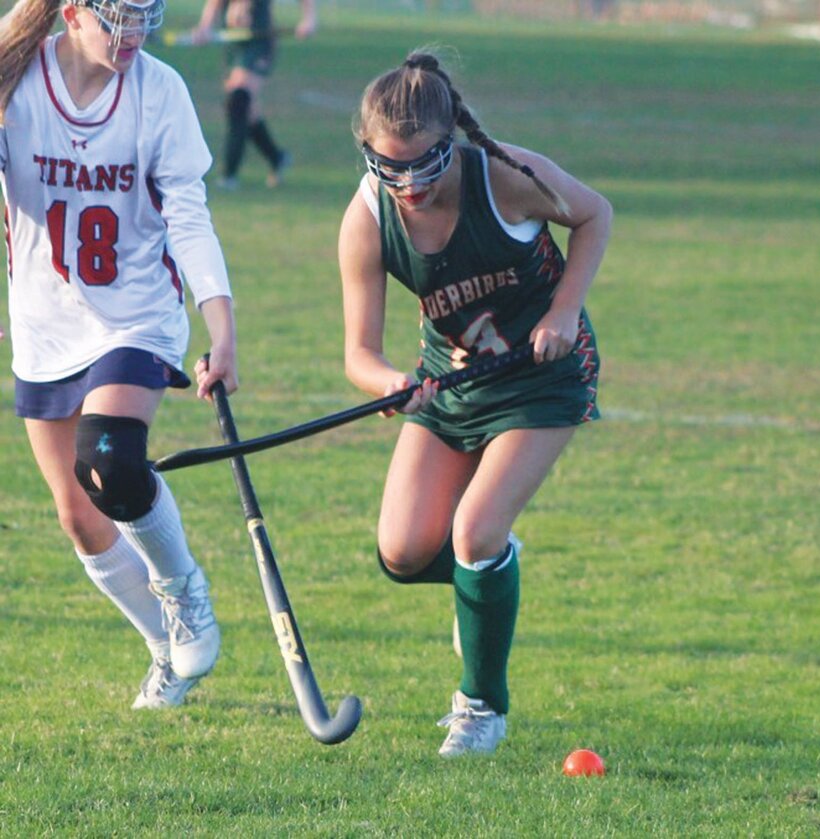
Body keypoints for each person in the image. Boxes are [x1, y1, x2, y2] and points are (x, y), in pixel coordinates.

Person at [338, 50, 612, 757]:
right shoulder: (367, 219)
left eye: (423, 165)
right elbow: (358, 354)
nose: (408, 184)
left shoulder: (502, 176)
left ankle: (481, 706)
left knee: (474, 530)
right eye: (388, 166)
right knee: (400, 552)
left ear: (451, 137)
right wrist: (391, 383)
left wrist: (564, 310)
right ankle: (489, 568)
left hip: (540, 378)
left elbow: (593, 214)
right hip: (450, 385)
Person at [0, 0, 238, 710]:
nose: (133, 36)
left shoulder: (158, 90)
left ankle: (184, 591)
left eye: (147, 18)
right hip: (46, 320)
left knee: (107, 458)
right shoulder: (15, 78)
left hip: (136, 313)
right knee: (79, 516)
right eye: (118, 20)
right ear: (71, 13)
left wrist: (219, 325)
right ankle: (164, 649)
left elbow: (189, 216)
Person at [192, 0, 317, 190]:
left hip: (259, 40)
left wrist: (308, 19)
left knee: (238, 100)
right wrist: (204, 27)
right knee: (246, 111)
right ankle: (276, 157)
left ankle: (229, 174)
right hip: (233, 41)